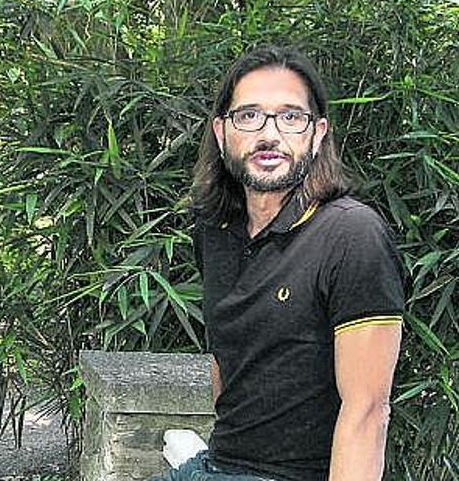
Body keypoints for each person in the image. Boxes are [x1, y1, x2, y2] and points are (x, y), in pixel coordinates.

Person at [152, 46, 405, 481]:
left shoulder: (351, 236)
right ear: (221, 131)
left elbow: (367, 412)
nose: (269, 134)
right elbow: (226, 357)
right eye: (249, 116)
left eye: (290, 117)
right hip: (217, 464)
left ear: (318, 132)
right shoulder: (215, 229)